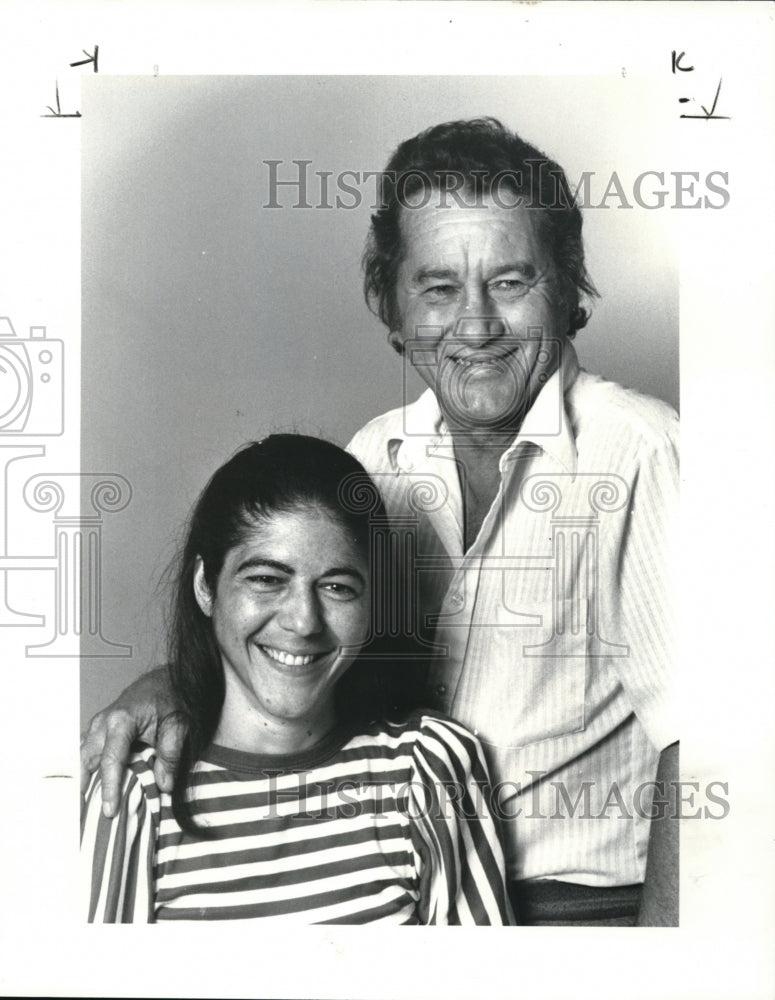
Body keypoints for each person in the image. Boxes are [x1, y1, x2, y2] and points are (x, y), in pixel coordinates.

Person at [81, 118, 679, 926]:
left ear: (568, 288)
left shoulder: (641, 451)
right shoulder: (376, 457)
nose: (474, 327)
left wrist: (667, 966)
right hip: (392, 897)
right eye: (437, 289)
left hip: (581, 912)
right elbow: (298, 637)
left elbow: (709, 739)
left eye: (510, 282)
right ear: (390, 306)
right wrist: (171, 686)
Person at [81, 434, 512, 925]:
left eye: (337, 586)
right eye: (267, 579)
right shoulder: (136, 793)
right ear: (205, 586)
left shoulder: (428, 767)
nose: (304, 621)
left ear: (373, 602)